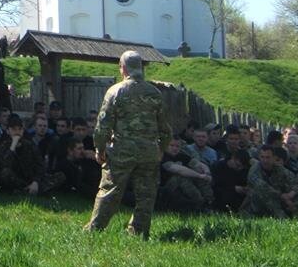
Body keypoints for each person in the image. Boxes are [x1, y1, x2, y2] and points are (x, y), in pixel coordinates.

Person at [85, 50, 172, 238]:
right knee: (146, 194)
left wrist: (100, 149)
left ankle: (94, 230)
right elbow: (165, 129)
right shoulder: (155, 93)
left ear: (123, 68)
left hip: (122, 150)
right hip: (149, 151)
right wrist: (161, 149)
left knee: (110, 190)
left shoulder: (115, 91)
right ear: (140, 67)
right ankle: (138, 232)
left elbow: (103, 126)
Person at [241, 145, 298, 218]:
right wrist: (283, 196)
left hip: (279, 199)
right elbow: (263, 187)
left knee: (297, 196)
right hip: (257, 203)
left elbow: (297, 182)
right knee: (266, 196)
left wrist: (291, 194)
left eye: (268, 157)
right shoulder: (254, 170)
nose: (265, 160)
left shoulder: (279, 169)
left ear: (274, 158)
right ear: (259, 157)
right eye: (262, 157)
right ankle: (282, 219)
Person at [159, 138, 214, 213]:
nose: (175, 148)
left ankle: (209, 202)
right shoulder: (162, 157)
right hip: (164, 188)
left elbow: (198, 164)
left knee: (200, 174)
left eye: (177, 146)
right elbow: (178, 169)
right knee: (181, 177)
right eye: (171, 145)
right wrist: (199, 175)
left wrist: (207, 173)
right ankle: (200, 203)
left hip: (181, 188)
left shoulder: (181, 156)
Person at [0, 114, 44, 195]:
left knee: (59, 176)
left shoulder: (30, 145)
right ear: (8, 131)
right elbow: (3, 165)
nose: (17, 132)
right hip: (14, 179)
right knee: (5, 173)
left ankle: (31, 189)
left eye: (20, 129)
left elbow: (40, 165)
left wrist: (36, 181)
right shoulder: (3, 146)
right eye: (14, 129)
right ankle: (26, 189)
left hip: (29, 177)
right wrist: (13, 146)